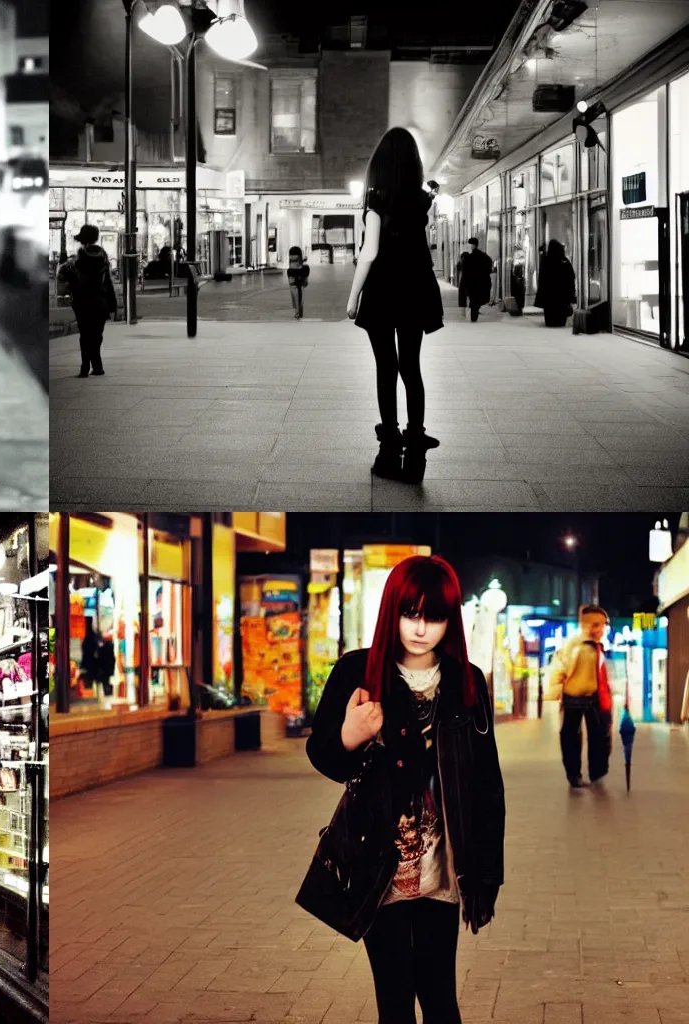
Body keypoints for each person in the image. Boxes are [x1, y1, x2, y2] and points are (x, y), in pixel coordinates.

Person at [305, 555, 505, 1024]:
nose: (420, 628)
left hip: (443, 873)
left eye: (434, 616)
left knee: (439, 998)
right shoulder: (358, 672)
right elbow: (325, 758)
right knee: (394, 1001)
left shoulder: (466, 681)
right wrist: (347, 738)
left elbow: (486, 785)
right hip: (379, 871)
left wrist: (488, 873)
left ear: (449, 619)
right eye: (410, 613)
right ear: (391, 611)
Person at [346, 127, 446, 485]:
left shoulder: (376, 200)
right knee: (411, 368)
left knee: (386, 369)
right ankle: (415, 450)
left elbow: (369, 252)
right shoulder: (421, 201)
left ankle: (389, 451)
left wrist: (353, 296)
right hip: (416, 291)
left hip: (383, 292)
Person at [544, 604, 612, 788]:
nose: (601, 629)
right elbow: (558, 670)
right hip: (574, 697)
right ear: (586, 625)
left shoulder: (597, 646)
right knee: (571, 737)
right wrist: (556, 693)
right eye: (597, 625)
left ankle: (597, 772)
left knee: (599, 735)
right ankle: (574, 775)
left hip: (594, 697)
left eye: (603, 625)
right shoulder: (574, 646)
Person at [58, 223, 118, 377]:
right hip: (100, 302)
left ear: (82, 240)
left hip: (82, 302)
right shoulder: (103, 258)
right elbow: (108, 283)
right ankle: (97, 366)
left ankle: (85, 367)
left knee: (85, 335)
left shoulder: (76, 260)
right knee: (96, 335)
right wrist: (113, 304)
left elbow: (64, 277)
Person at [534, 239, 577, 328]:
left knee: (550, 320)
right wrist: (571, 295)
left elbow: (542, 279)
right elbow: (571, 278)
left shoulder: (546, 261)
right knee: (560, 321)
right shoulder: (564, 261)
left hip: (549, 298)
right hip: (562, 298)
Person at [461, 238, 493, 322]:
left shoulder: (467, 257)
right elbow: (489, 267)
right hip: (481, 282)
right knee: (477, 300)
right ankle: (475, 313)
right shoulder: (483, 256)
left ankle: (474, 314)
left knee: (473, 299)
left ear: (473, 245)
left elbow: (464, 271)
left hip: (471, 283)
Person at [287, 246, 310, 319]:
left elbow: (293, 265)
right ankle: (299, 314)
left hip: (292, 276)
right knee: (300, 297)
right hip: (300, 276)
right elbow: (300, 265)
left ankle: (297, 313)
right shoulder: (303, 268)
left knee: (295, 296)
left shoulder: (291, 262)